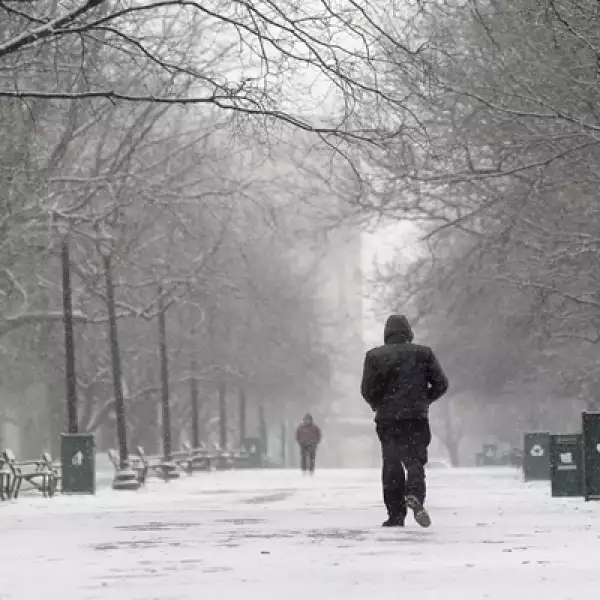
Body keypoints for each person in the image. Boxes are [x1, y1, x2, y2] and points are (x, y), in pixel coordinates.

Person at [361, 314, 449, 528]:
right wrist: (423, 400)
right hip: (416, 417)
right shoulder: (423, 354)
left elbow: (367, 390)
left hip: (388, 418)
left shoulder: (374, 356)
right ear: (408, 332)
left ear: (386, 334)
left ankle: (395, 515)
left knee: (391, 463)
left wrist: (378, 404)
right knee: (414, 459)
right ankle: (415, 494)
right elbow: (441, 383)